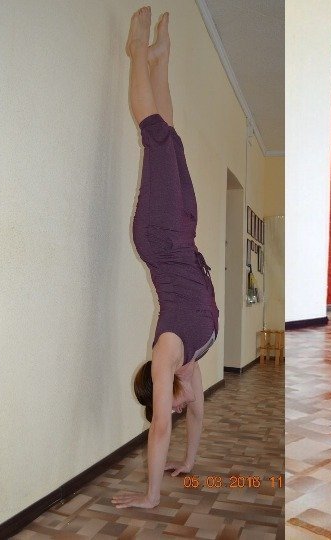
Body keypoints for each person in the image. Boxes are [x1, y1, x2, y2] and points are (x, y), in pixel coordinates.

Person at [112, 6, 219, 509]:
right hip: (184, 236)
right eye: (174, 406)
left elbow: (160, 428)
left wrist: (151, 496)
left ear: (158, 387)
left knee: (154, 134)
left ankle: (136, 50)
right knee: (172, 143)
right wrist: (190, 463)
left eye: (167, 405)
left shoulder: (166, 358)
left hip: (160, 237)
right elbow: (196, 414)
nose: (175, 410)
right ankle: (160, 59)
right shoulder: (190, 364)